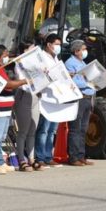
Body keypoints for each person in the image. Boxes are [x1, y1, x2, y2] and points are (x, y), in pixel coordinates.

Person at [0, 45, 27, 174]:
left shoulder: (1, 68)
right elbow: (6, 84)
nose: (7, 57)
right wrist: (24, 81)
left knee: (2, 136)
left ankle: (0, 161)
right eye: (5, 55)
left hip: (6, 108)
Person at [35, 34, 64, 168]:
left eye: (59, 44)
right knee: (44, 129)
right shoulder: (41, 57)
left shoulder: (56, 58)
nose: (58, 47)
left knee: (52, 130)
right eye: (56, 44)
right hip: (46, 97)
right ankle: (40, 156)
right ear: (49, 44)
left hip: (56, 96)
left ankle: (48, 156)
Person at [65, 39, 96, 167]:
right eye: (83, 49)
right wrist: (87, 83)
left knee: (83, 129)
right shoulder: (70, 63)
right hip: (78, 98)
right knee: (75, 129)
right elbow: (72, 82)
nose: (85, 51)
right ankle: (73, 157)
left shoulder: (83, 62)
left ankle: (81, 155)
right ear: (76, 51)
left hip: (88, 98)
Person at [13, 38, 40, 172]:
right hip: (24, 95)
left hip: (36, 95)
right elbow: (20, 78)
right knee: (23, 130)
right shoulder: (19, 63)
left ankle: (31, 158)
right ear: (25, 50)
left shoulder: (38, 61)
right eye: (32, 48)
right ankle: (21, 159)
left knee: (32, 130)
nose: (35, 50)